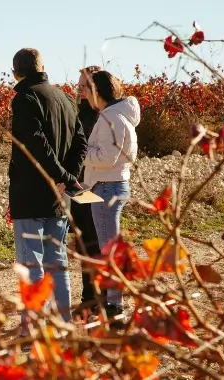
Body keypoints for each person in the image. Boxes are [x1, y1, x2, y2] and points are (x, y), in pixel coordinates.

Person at [8, 48, 87, 328]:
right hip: (60, 194)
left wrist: (60, 174)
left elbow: (36, 145)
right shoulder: (65, 97)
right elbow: (81, 142)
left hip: (31, 192)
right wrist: (69, 177)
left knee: (32, 263)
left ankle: (32, 326)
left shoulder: (25, 99)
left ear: (16, 72)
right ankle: (63, 322)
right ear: (42, 66)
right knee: (57, 260)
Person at [82, 70, 140, 327]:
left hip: (106, 188)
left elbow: (106, 158)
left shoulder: (110, 119)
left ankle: (114, 307)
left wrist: (82, 151)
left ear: (98, 93)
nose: (84, 95)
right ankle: (113, 303)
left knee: (108, 250)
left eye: (87, 90)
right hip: (111, 186)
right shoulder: (120, 116)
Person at [70, 66, 104, 318]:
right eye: (79, 86)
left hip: (97, 187)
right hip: (79, 186)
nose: (80, 91)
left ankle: (96, 300)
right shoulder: (78, 113)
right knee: (85, 244)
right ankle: (88, 297)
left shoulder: (104, 117)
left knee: (94, 245)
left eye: (86, 86)